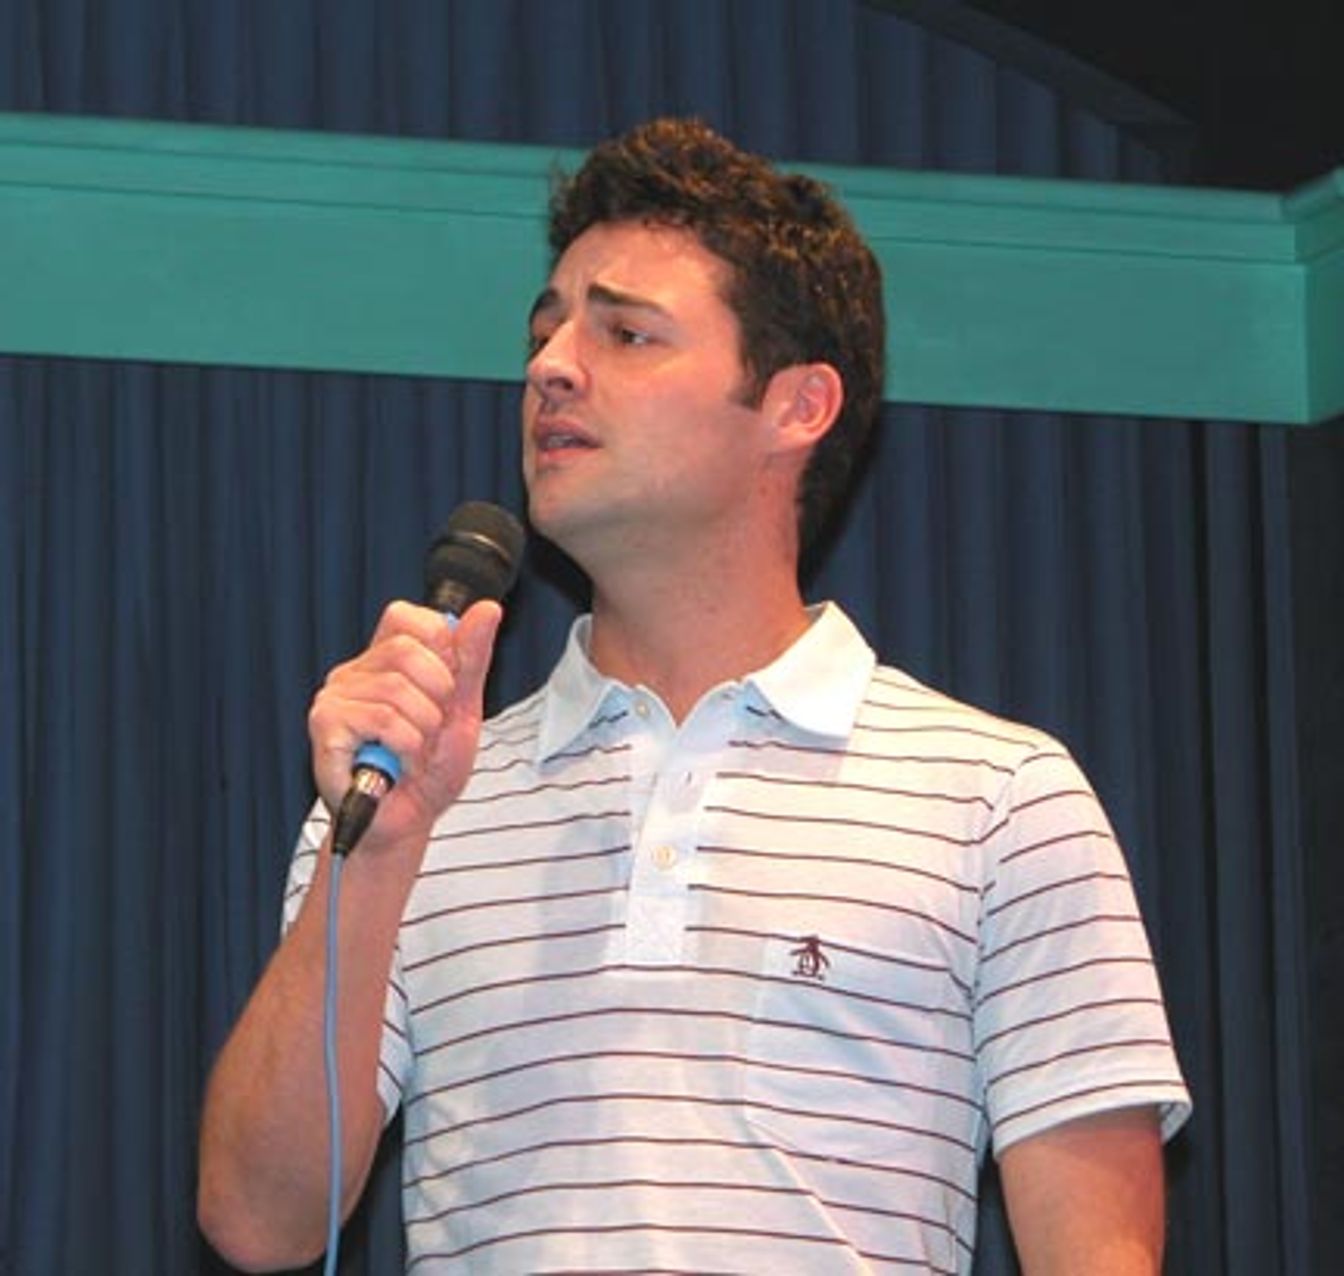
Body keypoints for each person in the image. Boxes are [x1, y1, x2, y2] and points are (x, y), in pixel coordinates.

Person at [198, 117, 1190, 1274]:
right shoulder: (406, 788)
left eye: (624, 332)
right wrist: (371, 859)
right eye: (545, 330)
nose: (550, 366)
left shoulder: (999, 799)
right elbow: (257, 1220)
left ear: (796, 406)